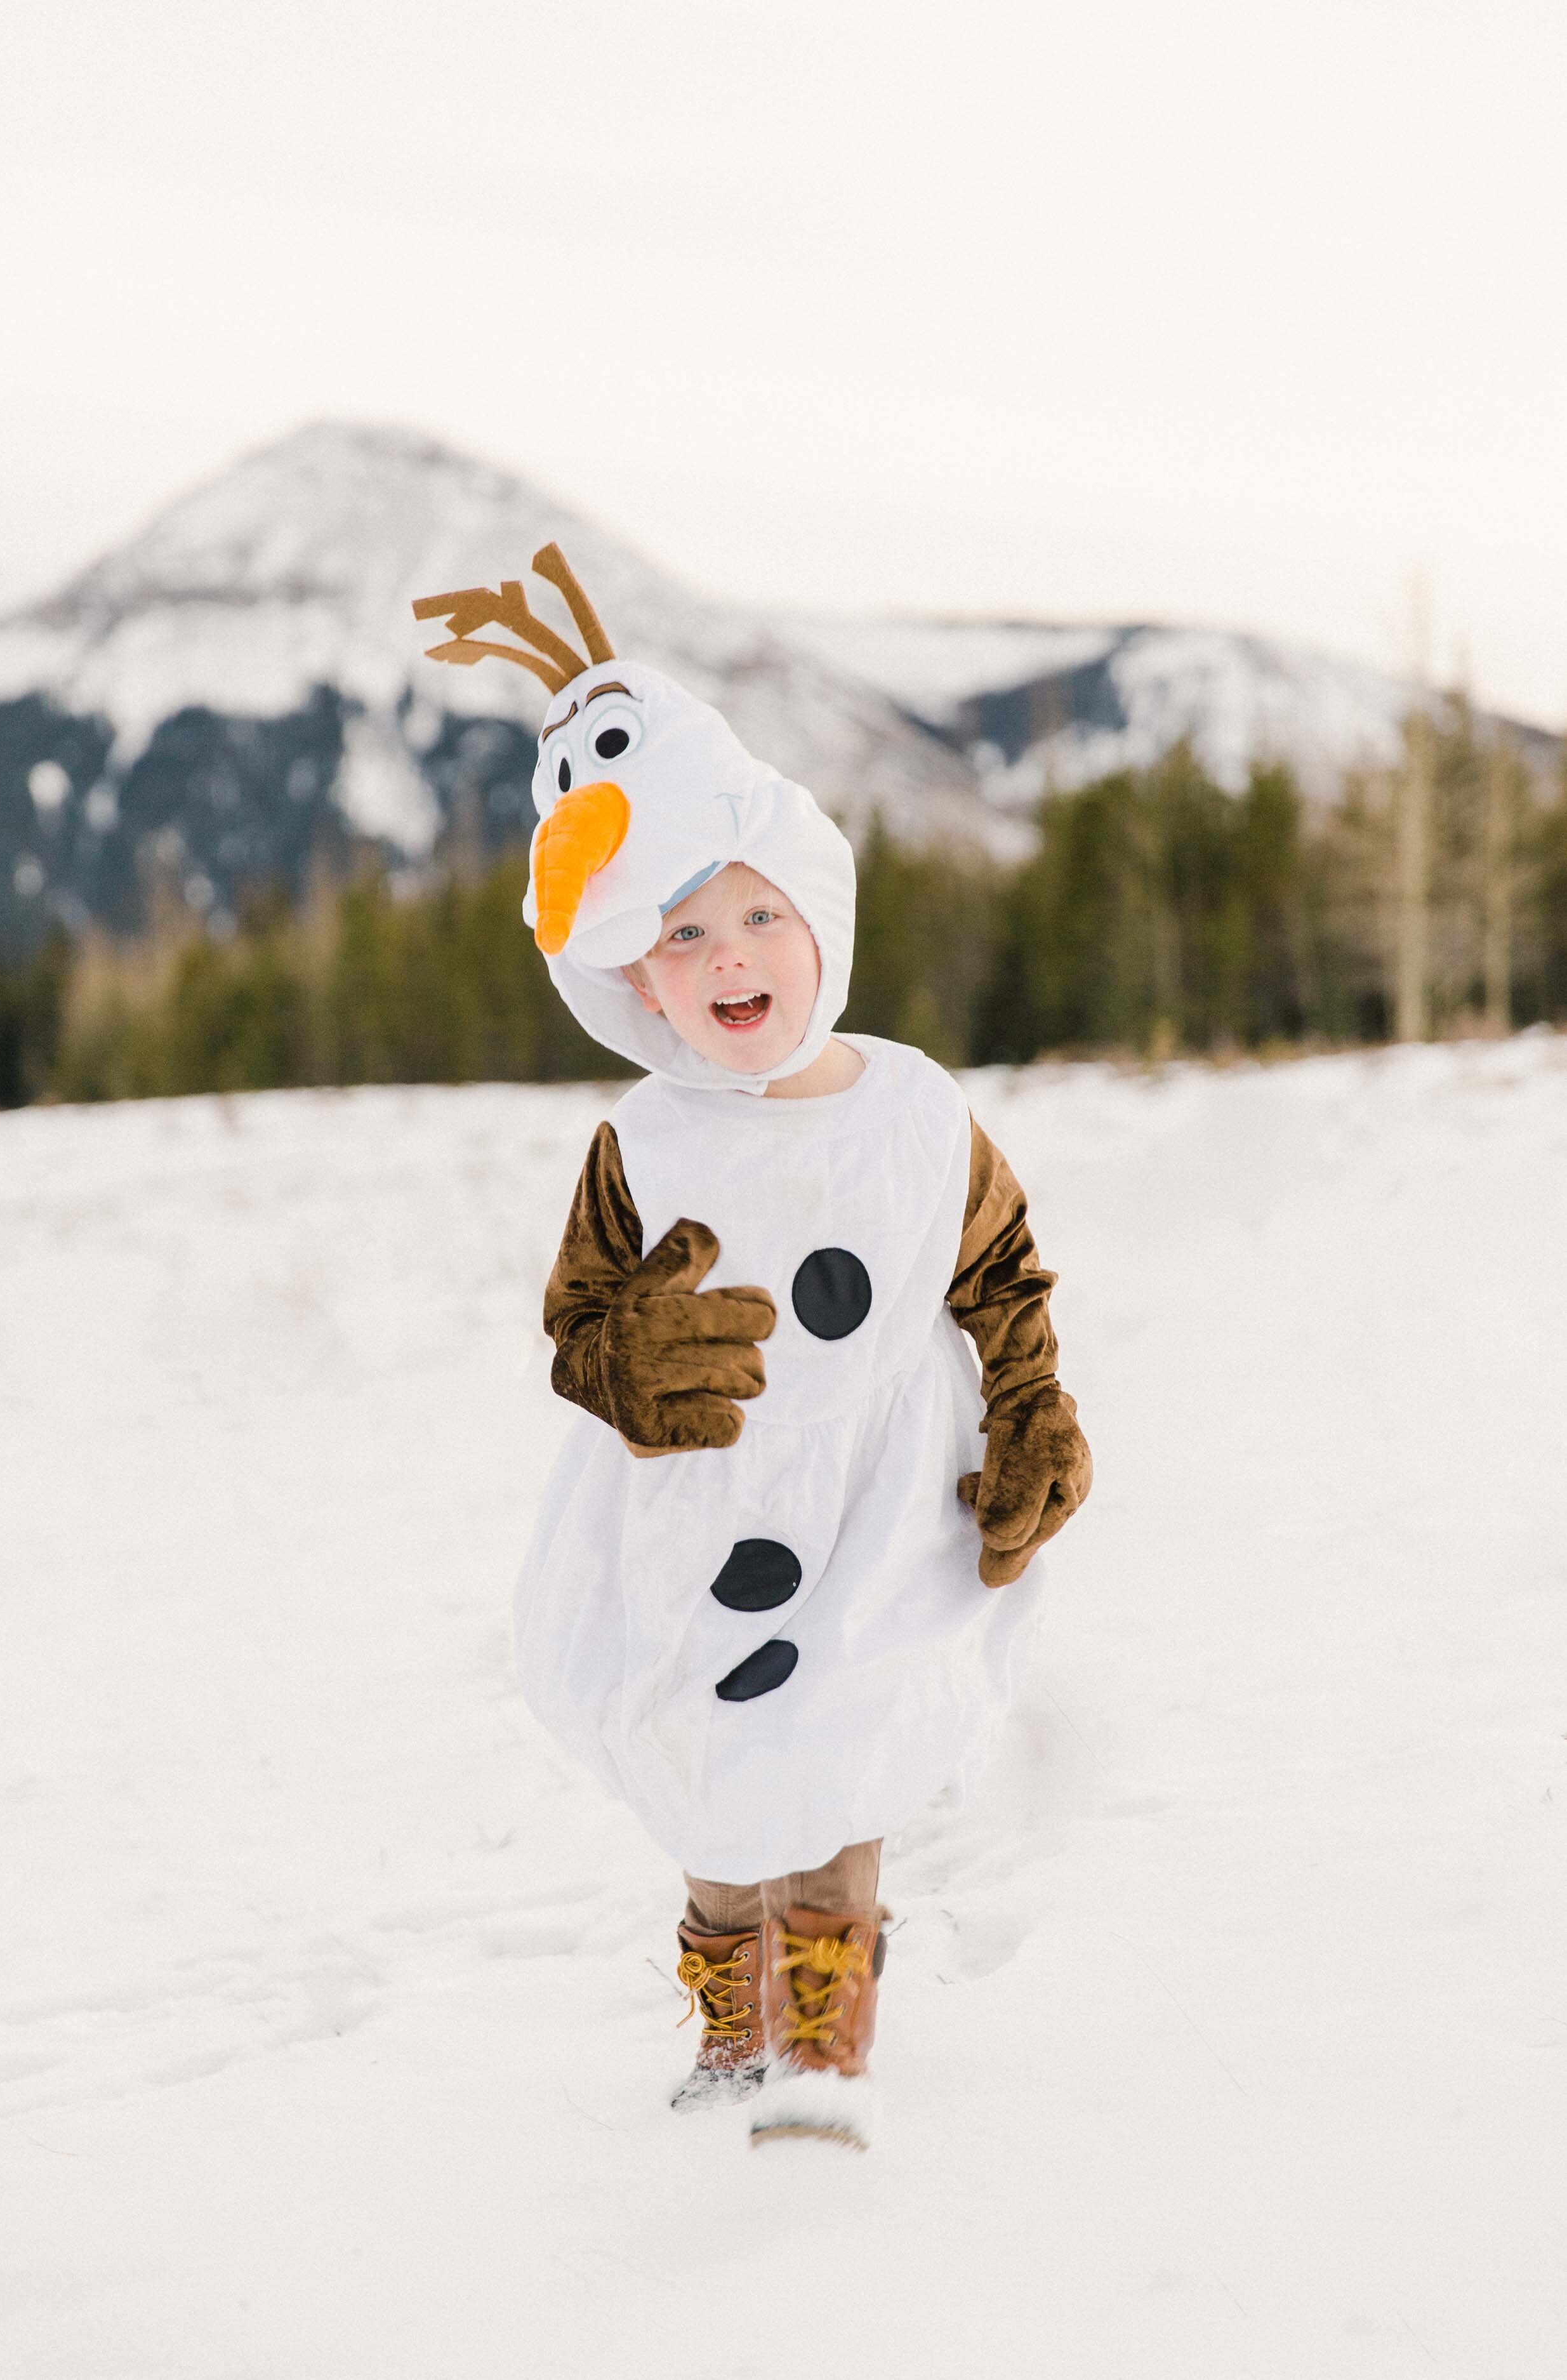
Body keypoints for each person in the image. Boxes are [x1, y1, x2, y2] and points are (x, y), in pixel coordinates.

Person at [412, 547, 1093, 2149]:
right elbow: (578, 1321)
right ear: (629, 979)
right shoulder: (645, 1144)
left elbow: (994, 1269)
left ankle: (826, 2043)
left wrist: (1028, 1406)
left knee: (843, 1765)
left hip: (876, 1503)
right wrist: (625, 1357)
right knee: (718, 1777)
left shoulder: (914, 1112)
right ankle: (733, 2019)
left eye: (754, 915)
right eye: (682, 936)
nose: (728, 958)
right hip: (700, 1520)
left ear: (816, 912)